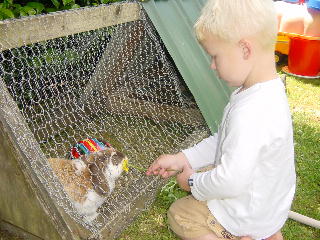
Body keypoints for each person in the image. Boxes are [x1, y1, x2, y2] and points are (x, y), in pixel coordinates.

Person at [146, 0, 296, 239]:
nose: (212, 66)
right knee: (209, 170)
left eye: (216, 56)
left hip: (246, 214)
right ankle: (268, 233)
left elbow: (231, 181)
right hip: (268, 207)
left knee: (180, 214)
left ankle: (241, 234)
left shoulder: (251, 111)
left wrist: (193, 182)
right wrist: (182, 158)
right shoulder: (267, 91)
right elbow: (225, 142)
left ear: (245, 50)